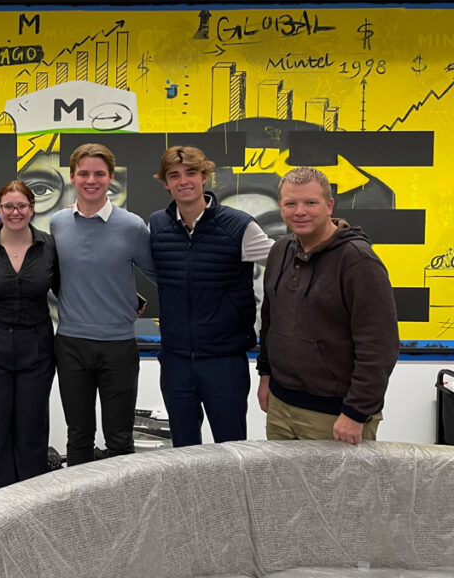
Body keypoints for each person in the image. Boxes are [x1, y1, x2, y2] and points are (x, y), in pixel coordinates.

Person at [257, 166, 399, 444]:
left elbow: (379, 345)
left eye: (311, 202)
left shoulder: (358, 261)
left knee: (337, 490)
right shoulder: (279, 251)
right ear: (281, 207)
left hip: (334, 416)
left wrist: (356, 412)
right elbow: (270, 320)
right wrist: (266, 375)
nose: (300, 211)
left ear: (329, 205)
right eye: (291, 203)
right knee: (281, 488)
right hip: (280, 406)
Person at [148, 146, 274, 446]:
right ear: (165, 183)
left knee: (231, 452)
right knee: (184, 452)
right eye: (174, 175)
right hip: (176, 362)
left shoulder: (239, 226)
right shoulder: (156, 225)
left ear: (205, 177)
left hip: (224, 362)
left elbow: (285, 261)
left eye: (191, 173)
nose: (183, 181)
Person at [49, 143, 156, 465]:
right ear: (72, 177)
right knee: (78, 435)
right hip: (71, 344)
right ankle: (79, 512)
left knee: (119, 439)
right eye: (84, 173)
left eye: (99, 173)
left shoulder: (133, 226)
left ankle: (121, 513)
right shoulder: (58, 223)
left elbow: (159, 276)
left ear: (111, 177)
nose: (91, 180)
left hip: (118, 346)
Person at [0, 180, 58, 491]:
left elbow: (70, 289)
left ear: (32, 209)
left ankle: (29, 500)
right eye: (8, 206)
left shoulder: (49, 246)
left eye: (22, 206)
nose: (15, 212)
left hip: (38, 346)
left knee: (32, 424)